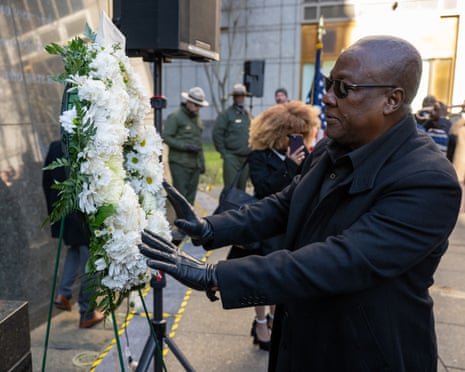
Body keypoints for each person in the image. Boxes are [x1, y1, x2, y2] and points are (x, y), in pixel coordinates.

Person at [140, 35, 462, 371]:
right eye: (327, 83)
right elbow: (285, 204)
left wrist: (216, 276)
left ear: (392, 100)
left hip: (364, 354)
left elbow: (343, 260)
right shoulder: (331, 148)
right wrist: (210, 228)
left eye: (342, 88)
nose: (326, 97)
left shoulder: (428, 179)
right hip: (301, 339)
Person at [234, 101, 320, 351]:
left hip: (290, 223)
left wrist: (301, 162)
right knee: (262, 275)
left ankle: (274, 318)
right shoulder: (259, 156)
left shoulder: (305, 154)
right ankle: (261, 322)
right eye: (291, 134)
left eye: (300, 134)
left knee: (281, 274)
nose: (296, 139)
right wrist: (289, 165)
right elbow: (263, 187)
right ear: (276, 133)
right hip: (265, 224)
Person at [42, 140, 104, 328]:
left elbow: (46, 181)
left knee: (75, 251)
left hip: (64, 211)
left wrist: (56, 212)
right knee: (91, 263)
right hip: (84, 213)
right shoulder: (89, 146)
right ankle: (87, 313)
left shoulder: (55, 145)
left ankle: (64, 292)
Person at [163, 87, 208, 206]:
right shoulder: (175, 117)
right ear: (188, 102)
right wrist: (185, 146)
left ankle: (190, 223)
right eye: (196, 105)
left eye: (200, 106)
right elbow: (166, 137)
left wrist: (202, 162)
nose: (198, 108)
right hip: (179, 163)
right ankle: (180, 222)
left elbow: (199, 142)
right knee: (181, 197)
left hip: (194, 164)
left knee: (191, 198)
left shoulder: (197, 118)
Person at [212, 83, 252, 190]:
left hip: (245, 158)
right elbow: (217, 134)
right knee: (230, 188)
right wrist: (224, 153)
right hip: (232, 157)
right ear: (234, 98)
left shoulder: (247, 115)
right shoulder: (226, 114)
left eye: (242, 96)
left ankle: (240, 208)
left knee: (242, 189)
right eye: (237, 96)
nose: (240, 99)